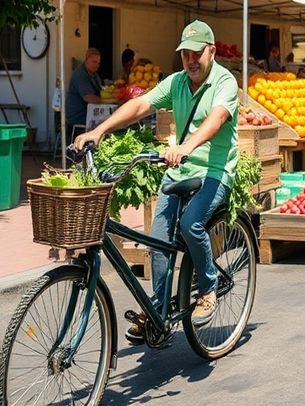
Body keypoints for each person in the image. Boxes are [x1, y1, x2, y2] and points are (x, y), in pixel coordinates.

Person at [74, 20, 238, 341]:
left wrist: (188, 146)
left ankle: (208, 288)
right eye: (185, 54)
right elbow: (140, 104)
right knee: (157, 242)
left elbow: (217, 118)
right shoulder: (177, 82)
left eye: (197, 54)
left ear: (212, 51)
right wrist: (98, 130)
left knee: (191, 224)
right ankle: (158, 310)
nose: (191, 60)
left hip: (215, 170)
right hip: (180, 171)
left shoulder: (224, 82)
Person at [66, 48, 104, 129]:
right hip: (78, 116)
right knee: (107, 121)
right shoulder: (80, 75)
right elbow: (89, 98)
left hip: (89, 112)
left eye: (98, 63)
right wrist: (107, 101)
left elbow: (102, 91)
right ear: (86, 60)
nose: (96, 65)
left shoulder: (94, 75)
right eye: (94, 62)